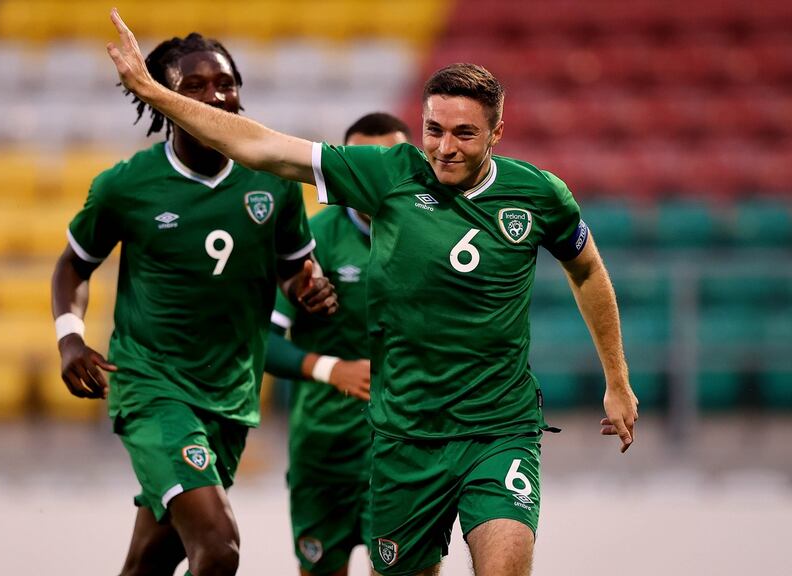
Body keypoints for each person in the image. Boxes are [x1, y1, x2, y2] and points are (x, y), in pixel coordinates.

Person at [106, 10, 639, 576]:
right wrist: (152, 92)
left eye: (465, 134)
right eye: (434, 131)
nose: (445, 149)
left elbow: (587, 270)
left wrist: (618, 380)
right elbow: (263, 147)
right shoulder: (389, 175)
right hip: (403, 439)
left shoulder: (537, 194)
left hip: (497, 430)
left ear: (496, 133)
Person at [51, 32, 337, 576]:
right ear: (165, 99)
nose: (216, 96)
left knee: (150, 562)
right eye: (197, 85)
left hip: (231, 395)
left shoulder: (272, 180)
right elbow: (73, 265)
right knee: (219, 546)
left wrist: (308, 285)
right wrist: (70, 337)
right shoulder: (126, 186)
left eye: (227, 83)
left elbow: (295, 266)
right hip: (153, 385)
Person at [266, 112, 411, 576]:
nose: (372, 172)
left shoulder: (430, 237)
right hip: (323, 452)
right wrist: (332, 368)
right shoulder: (310, 240)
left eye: (386, 159)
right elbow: (262, 342)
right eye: (359, 160)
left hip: (402, 449)